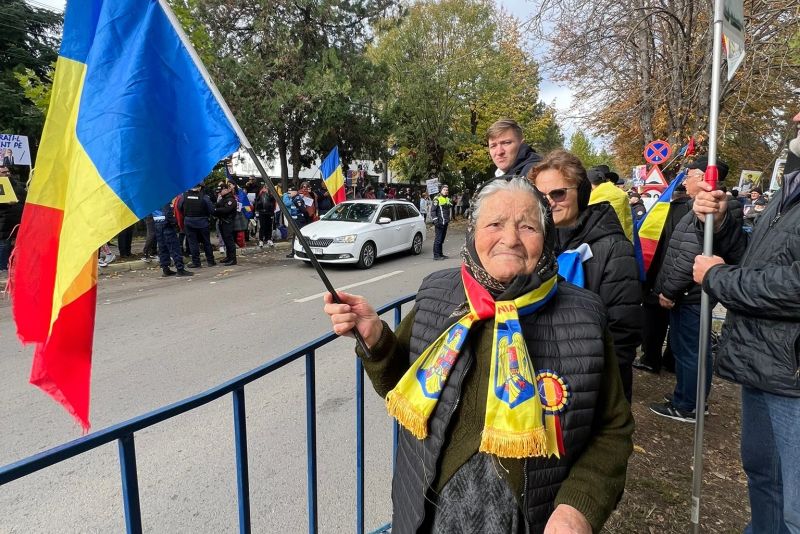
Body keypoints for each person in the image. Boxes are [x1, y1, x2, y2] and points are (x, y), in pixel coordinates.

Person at [323, 176, 632, 533]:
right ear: (473, 232)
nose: (510, 238)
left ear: (547, 238)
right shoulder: (437, 293)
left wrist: (576, 509)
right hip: (425, 511)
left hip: (530, 519)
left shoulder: (585, 316)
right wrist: (375, 338)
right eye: (495, 224)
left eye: (528, 226)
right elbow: (404, 384)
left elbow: (613, 429)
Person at [692, 151, 800, 533]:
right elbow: (757, 262)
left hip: (793, 377)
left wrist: (718, 278)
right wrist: (721, 224)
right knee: (764, 480)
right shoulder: (791, 186)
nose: (796, 122)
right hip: (766, 365)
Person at [528, 150, 641, 402]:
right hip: (545, 378)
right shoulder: (537, 242)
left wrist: (597, 390)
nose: (549, 202)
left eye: (558, 193)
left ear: (580, 193)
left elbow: (623, 332)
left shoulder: (613, 247)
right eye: (541, 196)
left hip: (591, 383)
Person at [649, 157, 738, 422]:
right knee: (685, 348)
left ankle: (689, 405)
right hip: (689, 295)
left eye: (688, 175)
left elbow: (688, 257)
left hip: (691, 296)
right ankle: (686, 395)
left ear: (703, 178)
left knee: (691, 352)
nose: (685, 180)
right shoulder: (696, 207)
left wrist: (669, 291)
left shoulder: (710, 212)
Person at [587, 165, 634, 241]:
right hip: (621, 239)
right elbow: (629, 222)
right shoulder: (621, 195)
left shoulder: (590, 198)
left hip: (600, 241)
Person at [178, 184, 217, 267]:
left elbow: (179, 207)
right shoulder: (204, 197)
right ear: (199, 188)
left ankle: (196, 262)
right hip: (203, 222)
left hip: (189, 222)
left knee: (193, 243)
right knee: (206, 242)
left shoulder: (184, 196)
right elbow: (212, 210)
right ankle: (210, 261)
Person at [153, 200, 193, 277]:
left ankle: (165, 269)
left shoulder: (153, 200)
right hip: (166, 225)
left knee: (163, 248)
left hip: (158, 224)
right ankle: (180, 269)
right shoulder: (164, 199)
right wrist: (175, 222)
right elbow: (168, 213)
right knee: (174, 247)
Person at [214, 182, 238, 265]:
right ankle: (229, 257)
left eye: (221, 191)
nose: (219, 193)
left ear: (226, 190)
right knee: (226, 241)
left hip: (228, 222)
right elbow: (217, 206)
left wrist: (216, 210)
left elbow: (226, 210)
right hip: (222, 222)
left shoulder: (231, 199)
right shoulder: (223, 199)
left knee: (229, 241)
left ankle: (233, 259)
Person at [431, 185, 452, 261]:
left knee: (442, 239)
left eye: (447, 190)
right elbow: (433, 211)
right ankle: (436, 255)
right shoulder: (436, 199)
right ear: (441, 190)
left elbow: (448, 209)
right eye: (444, 190)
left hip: (445, 223)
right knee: (438, 239)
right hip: (439, 223)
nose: (446, 191)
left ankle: (440, 254)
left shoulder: (447, 199)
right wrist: (435, 221)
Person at [255, 183, 276, 248]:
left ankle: (268, 239)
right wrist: (257, 211)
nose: (266, 188)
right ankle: (261, 239)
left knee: (269, 226)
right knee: (262, 226)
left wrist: (269, 194)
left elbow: (273, 202)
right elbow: (257, 202)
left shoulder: (271, 193)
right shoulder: (260, 193)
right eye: (266, 186)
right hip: (262, 212)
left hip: (269, 212)